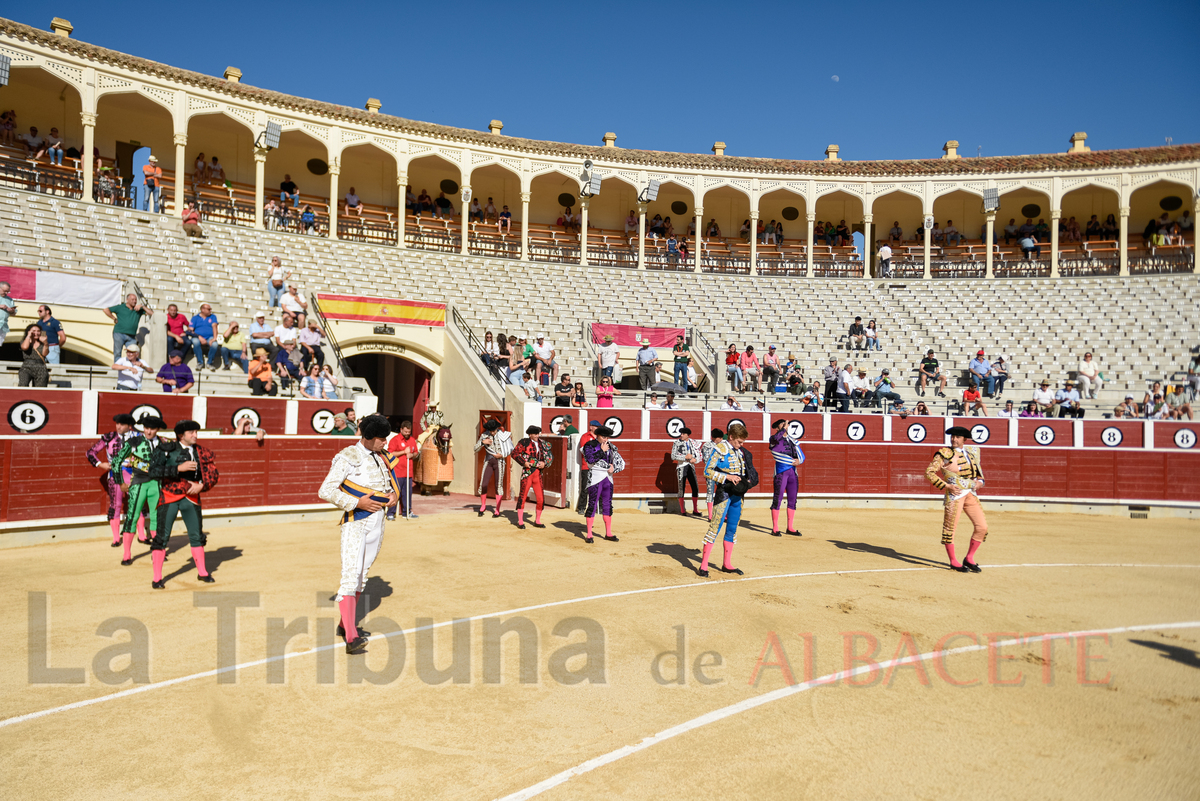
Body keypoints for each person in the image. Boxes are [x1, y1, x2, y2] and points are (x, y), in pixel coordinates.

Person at [317, 414, 399, 653]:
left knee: (362, 576)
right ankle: (351, 638)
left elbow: (388, 485)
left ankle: (345, 624)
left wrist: (394, 497)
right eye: (381, 438)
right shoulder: (348, 456)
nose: (385, 442)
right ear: (369, 437)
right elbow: (326, 490)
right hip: (356, 521)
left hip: (378, 521)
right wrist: (356, 503)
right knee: (350, 576)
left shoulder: (382, 456)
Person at [925, 426, 987, 573]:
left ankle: (969, 558)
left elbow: (980, 474)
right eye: (952, 436)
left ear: (964, 439)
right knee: (950, 529)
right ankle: (953, 561)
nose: (953, 439)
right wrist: (946, 486)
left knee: (982, 527)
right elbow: (929, 473)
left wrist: (980, 482)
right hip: (954, 495)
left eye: (957, 437)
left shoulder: (972, 453)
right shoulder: (944, 453)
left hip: (970, 494)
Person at [699, 423, 756, 578]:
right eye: (739, 442)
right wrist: (727, 477)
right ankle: (704, 565)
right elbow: (707, 471)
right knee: (714, 528)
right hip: (723, 494)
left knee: (732, 529)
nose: (741, 445)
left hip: (738, 496)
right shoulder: (719, 449)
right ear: (731, 437)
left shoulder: (739, 452)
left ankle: (727, 564)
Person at [113, 414, 165, 564]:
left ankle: (157, 550)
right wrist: (120, 482)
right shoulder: (134, 441)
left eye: (152, 429)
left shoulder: (164, 442)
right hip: (138, 482)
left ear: (158, 429)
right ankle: (127, 553)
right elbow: (117, 461)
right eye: (146, 428)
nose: (148, 432)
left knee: (156, 518)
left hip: (156, 483)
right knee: (132, 516)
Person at [87, 413, 139, 547]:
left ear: (129, 426)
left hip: (134, 474)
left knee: (137, 503)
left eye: (122, 424)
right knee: (115, 504)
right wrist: (100, 464)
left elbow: (147, 455)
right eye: (117, 424)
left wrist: (135, 462)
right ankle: (116, 537)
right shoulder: (109, 437)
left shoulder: (138, 437)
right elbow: (90, 452)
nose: (118, 427)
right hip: (115, 474)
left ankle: (142, 535)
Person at [581, 425, 624, 543]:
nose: (606, 439)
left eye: (607, 437)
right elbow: (589, 459)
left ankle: (608, 533)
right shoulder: (589, 445)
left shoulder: (611, 447)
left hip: (608, 479)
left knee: (607, 505)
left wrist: (614, 468)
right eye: (604, 437)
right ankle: (589, 534)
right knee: (592, 504)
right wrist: (601, 451)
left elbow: (617, 461)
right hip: (595, 477)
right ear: (597, 436)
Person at [768, 419, 804, 537]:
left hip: (793, 472)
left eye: (786, 424)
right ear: (778, 428)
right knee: (777, 499)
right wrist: (783, 429)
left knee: (792, 500)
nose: (786, 426)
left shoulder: (792, 440)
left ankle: (790, 527)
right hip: (781, 472)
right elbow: (776, 439)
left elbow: (799, 455)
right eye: (783, 425)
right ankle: (775, 528)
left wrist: (799, 461)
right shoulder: (773, 439)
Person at [513, 426, 553, 530]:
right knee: (523, 496)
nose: (537, 436)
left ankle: (537, 520)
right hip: (527, 472)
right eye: (535, 434)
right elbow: (515, 453)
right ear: (530, 434)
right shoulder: (524, 442)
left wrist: (544, 463)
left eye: (538, 434)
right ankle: (520, 521)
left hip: (538, 473)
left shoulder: (542, 444)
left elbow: (549, 457)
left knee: (540, 498)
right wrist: (524, 462)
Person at [475, 419, 512, 517]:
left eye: (494, 430)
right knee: (483, 484)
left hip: (499, 462)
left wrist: (502, 455)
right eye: (490, 430)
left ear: (497, 428)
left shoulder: (503, 435)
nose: (492, 432)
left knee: (498, 485)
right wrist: (483, 442)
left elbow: (510, 448)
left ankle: (497, 510)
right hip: (488, 461)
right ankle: (483, 506)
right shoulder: (484, 436)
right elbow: (475, 448)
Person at [385, 419, 419, 520]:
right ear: (401, 430)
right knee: (396, 492)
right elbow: (390, 453)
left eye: (409, 432)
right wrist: (403, 452)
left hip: (408, 472)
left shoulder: (412, 440)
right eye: (405, 432)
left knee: (407, 493)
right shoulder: (395, 440)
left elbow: (416, 453)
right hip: (397, 471)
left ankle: (407, 511)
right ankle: (391, 513)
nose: (407, 434)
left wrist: (412, 454)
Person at [103, 293, 147, 361]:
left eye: (135, 300)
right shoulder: (120, 307)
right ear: (127, 300)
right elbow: (105, 310)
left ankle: (130, 369)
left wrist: (143, 306)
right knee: (117, 353)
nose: (134, 301)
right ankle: (118, 369)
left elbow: (151, 313)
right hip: (119, 333)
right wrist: (114, 318)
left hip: (131, 336)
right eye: (132, 299)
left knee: (133, 353)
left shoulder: (138, 309)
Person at [671, 427, 703, 517]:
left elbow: (698, 455)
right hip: (681, 467)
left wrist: (695, 460)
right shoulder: (676, 443)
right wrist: (685, 457)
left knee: (695, 487)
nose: (681, 435)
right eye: (681, 433)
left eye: (683, 434)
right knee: (681, 488)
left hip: (691, 466)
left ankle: (695, 510)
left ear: (687, 435)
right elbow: (673, 456)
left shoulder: (693, 443)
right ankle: (682, 510)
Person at [189, 302, 220, 370]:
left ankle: (210, 363)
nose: (210, 311)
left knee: (214, 345)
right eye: (209, 309)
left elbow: (215, 327)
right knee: (195, 342)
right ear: (202, 309)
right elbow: (190, 330)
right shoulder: (195, 317)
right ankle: (200, 362)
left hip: (209, 336)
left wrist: (214, 338)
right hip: (197, 336)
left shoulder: (213, 316)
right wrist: (199, 337)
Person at [0, 281, 15, 345]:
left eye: (8, 291)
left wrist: (11, 311)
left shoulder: (10, 300)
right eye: (5, 291)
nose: (6, 293)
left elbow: (14, 313)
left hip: (3, 326)